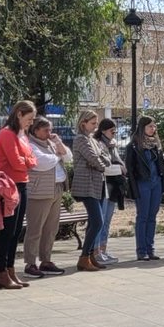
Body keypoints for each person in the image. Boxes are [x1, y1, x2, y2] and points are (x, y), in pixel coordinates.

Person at [0, 101, 37, 289]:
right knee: (8, 230)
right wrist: (26, 161)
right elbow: (16, 162)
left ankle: (11, 269)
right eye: (29, 119)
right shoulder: (6, 133)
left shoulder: (22, 135)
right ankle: (1, 271)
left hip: (22, 184)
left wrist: (26, 161)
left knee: (17, 230)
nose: (31, 122)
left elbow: (31, 160)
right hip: (9, 185)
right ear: (19, 114)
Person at [24, 117, 72, 277]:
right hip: (39, 191)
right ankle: (30, 263)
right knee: (35, 229)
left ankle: (46, 260)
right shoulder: (30, 144)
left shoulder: (51, 143)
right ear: (35, 130)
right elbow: (42, 162)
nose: (49, 133)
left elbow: (69, 157)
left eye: (50, 130)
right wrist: (59, 155)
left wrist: (58, 144)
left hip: (56, 189)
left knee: (51, 228)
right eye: (46, 130)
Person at [72, 111, 111, 271]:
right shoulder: (81, 139)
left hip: (97, 184)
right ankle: (84, 257)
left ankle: (89, 255)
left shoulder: (92, 140)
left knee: (95, 222)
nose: (96, 126)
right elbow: (95, 159)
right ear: (83, 123)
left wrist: (100, 161)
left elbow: (106, 157)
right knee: (97, 221)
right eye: (93, 123)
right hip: (86, 185)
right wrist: (100, 163)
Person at [126, 116, 164, 261]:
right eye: (150, 126)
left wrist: (163, 183)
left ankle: (150, 249)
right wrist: (133, 188)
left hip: (156, 182)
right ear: (142, 127)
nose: (153, 129)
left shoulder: (156, 145)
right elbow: (130, 169)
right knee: (143, 217)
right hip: (142, 183)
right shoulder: (133, 146)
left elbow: (161, 166)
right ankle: (141, 250)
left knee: (152, 217)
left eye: (154, 126)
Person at [95, 118, 127, 264]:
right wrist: (119, 168)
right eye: (111, 130)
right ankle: (95, 251)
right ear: (103, 131)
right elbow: (104, 166)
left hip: (113, 187)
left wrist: (120, 167)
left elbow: (118, 161)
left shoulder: (112, 145)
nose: (114, 132)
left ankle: (104, 249)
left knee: (107, 220)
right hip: (103, 186)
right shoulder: (99, 144)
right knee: (100, 220)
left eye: (115, 130)